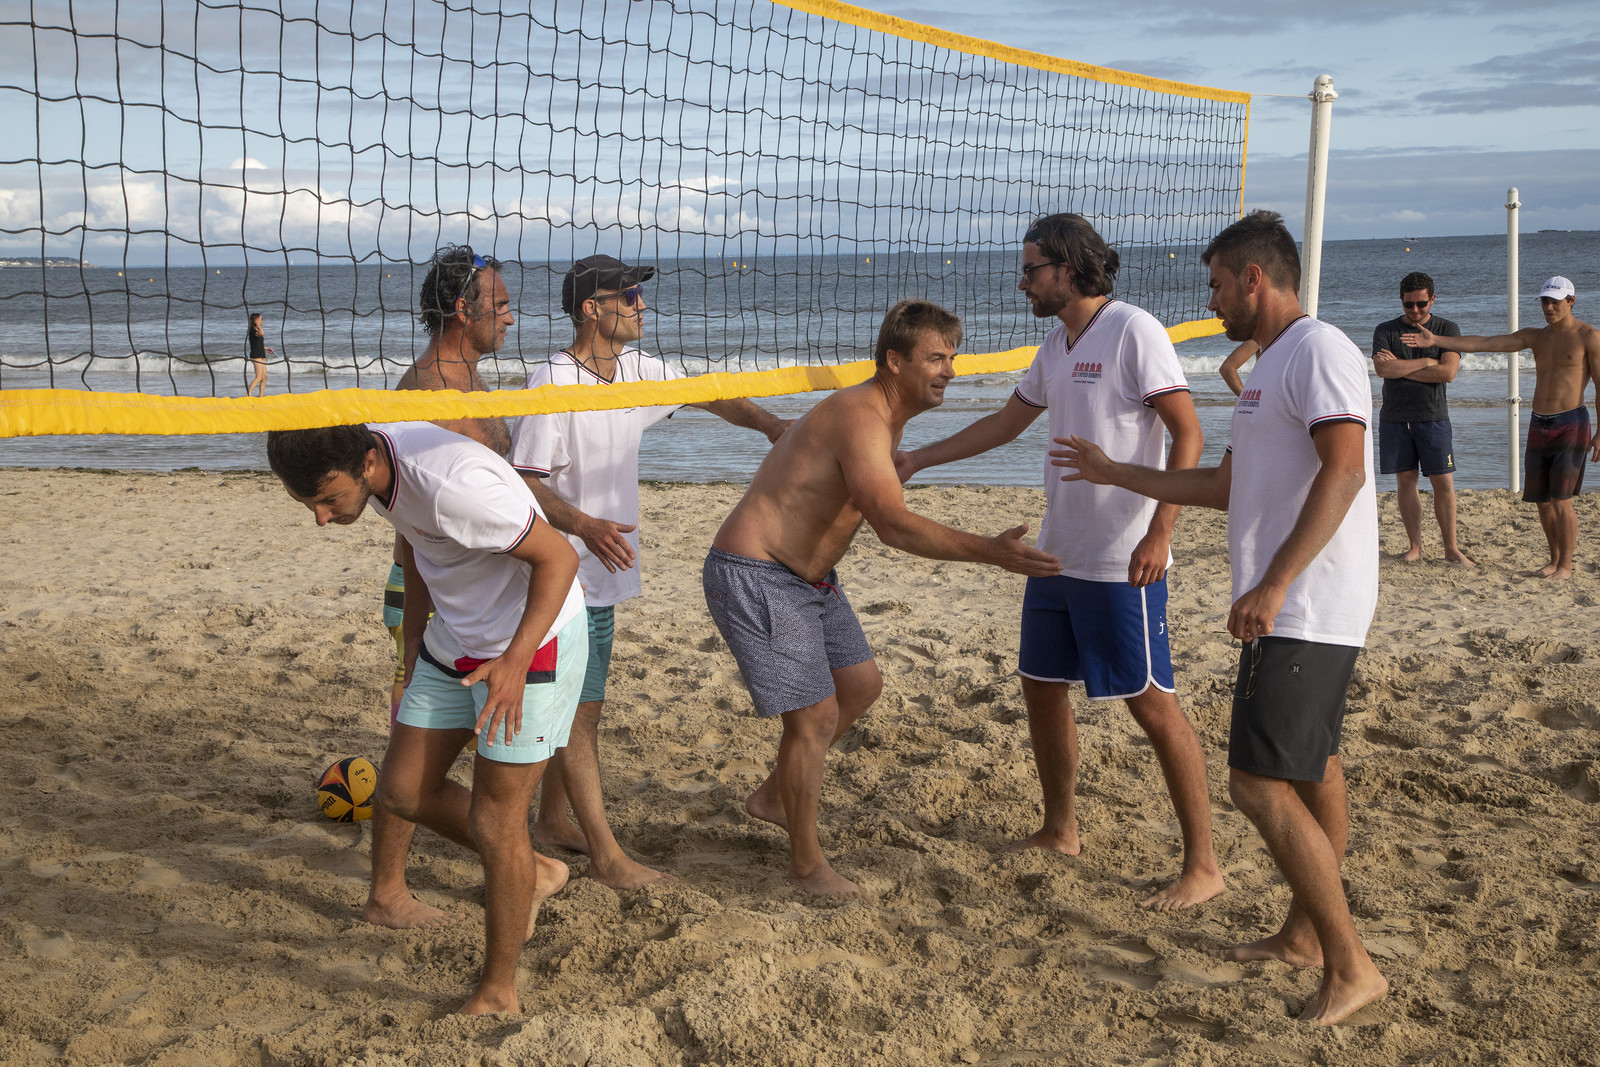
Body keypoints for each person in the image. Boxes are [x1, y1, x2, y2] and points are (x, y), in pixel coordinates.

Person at [1055, 210, 1385, 1025]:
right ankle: (1307, 936)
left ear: (1254, 278)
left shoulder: (1320, 350)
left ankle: (1352, 966)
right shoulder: (1270, 367)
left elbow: (1344, 472)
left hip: (1309, 601)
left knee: (1255, 781)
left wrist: (1273, 584)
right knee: (1313, 770)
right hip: (1298, 601)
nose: (1213, 302)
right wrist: (1117, 472)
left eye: (1216, 284)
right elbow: (1224, 487)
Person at [895, 213, 1223, 911]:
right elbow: (1006, 424)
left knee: (1152, 703)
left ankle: (1203, 862)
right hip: (1057, 550)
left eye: (1031, 269)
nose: (1022, 281)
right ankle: (1060, 827)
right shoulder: (1055, 342)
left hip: (1118, 555)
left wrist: (1161, 531)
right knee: (1041, 685)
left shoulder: (1133, 329)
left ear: (1069, 270)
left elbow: (1188, 435)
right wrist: (920, 456)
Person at [702, 299, 1062, 899]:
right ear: (893, 362)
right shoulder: (862, 417)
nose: (949, 370)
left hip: (811, 579)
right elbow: (892, 527)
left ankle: (772, 797)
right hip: (757, 571)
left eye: (953, 357)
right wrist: (989, 550)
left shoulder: (887, 419)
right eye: (935, 358)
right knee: (813, 718)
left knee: (861, 687)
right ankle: (807, 868)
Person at [267, 421, 586, 1016]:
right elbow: (412, 539)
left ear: (367, 463)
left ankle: (497, 993)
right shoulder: (376, 464)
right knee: (401, 792)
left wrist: (515, 661)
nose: (320, 518)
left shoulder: (450, 487)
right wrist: (413, 632)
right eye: (308, 504)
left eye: (328, 500)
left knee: (498, 821)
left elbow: (560, 557)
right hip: (452, 637)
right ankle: (535, 872)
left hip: (533, 642)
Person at [508, 254, 790, 890]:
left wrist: (774, 426)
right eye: (628, 295)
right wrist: (584, 526)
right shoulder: (551, 382)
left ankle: (554, 820)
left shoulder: (634, 371)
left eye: (637, 294)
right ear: (591, 309)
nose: (640, 305)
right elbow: (523, 482)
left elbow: (706, 393)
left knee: (580, 710)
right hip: (561, 577)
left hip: (600, 572)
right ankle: (608, 858)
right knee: (577, 716)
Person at [366, 246, 518, 930]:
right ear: (464, 310)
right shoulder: (428, 392)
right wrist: (413, 627)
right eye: (501, 304)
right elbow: (410, 516)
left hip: (475, 587)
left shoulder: (469, 381)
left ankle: (394, 887)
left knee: (428, 741)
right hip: (438, 588)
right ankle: (389, 892)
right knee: (416, 740)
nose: (511, 316)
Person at [1402, 276, 1600, 580]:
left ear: (1571, 301)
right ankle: (1553, 559)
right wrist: (1437, 341)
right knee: (1542, 502)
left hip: (1571, 422)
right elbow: (1485, 343)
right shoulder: (1536, 336)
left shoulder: (1589, 336)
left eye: (1555, 302)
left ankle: (1566, 566)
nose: (1549, 308)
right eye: (1545, 302)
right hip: (1539, 422)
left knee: (1561, 499)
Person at [1371, 272, 1472, 564]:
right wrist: (1428, 361)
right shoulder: (1386, 330)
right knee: (1406, 482)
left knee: (1443, 483)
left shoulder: (1446, 329)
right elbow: (1383, 371)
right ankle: (1415, 546)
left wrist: (1403, 366)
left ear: (1433, 299)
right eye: (1408, 305)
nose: (1415, 311)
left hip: (1433, 416)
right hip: (1395, 417)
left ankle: (1451, 548)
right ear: (1401, 302)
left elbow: (1448, 373)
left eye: (1421, 304)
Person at [247, 313, 271, 397]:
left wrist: (266, 348)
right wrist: (258, 325)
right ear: (256, 320)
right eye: (261, 319)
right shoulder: (253, 330)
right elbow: (262, 334)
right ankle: (248, 394)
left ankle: (261, 396)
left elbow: (257, 343)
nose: (262, 320)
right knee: (259, 376)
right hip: (256, 355)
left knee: (264, 377)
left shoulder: (256, 329)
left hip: (261, 354)